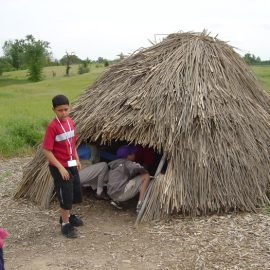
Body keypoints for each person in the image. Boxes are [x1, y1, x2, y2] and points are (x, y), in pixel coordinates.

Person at [43, 94, 83, 238]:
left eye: (66, 109)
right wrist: (60, 167)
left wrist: (77, 159)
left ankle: (68, 215)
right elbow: (46, 150)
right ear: (53, 110)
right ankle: (65, 224)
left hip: (71, 163)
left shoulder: (70, 122)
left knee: (74, 191)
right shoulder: (52, 127)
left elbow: (72, 144)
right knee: (65, 194)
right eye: (60, 110)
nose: (64, 113)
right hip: (59, 166)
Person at [107, 145, 150, 213]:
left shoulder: (115, 163)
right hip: (120, 194)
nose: (134, 155)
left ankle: (117, 201)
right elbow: (138, 168)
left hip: (111, 193)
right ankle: (140, 205)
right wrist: (145, 171)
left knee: (127, 178)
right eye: (133, 154)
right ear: (128, 156)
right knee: (146, 176)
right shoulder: (127, 163)